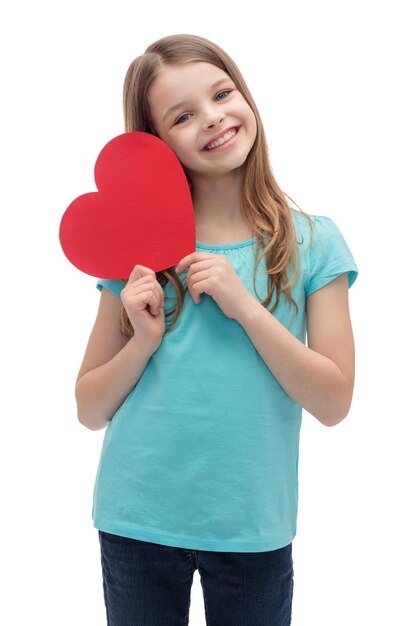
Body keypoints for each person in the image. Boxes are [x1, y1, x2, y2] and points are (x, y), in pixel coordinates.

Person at [75, 34, 359, 626]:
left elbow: (333, 401)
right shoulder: (135, 252)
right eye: (182, 115)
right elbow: (89, 407)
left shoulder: (312, 242)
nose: (213, 118)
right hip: (137, 518)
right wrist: (143, 338)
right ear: (156, 144)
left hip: (252, 525)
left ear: (244, 94)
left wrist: (246, 306)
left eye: (221, 92)